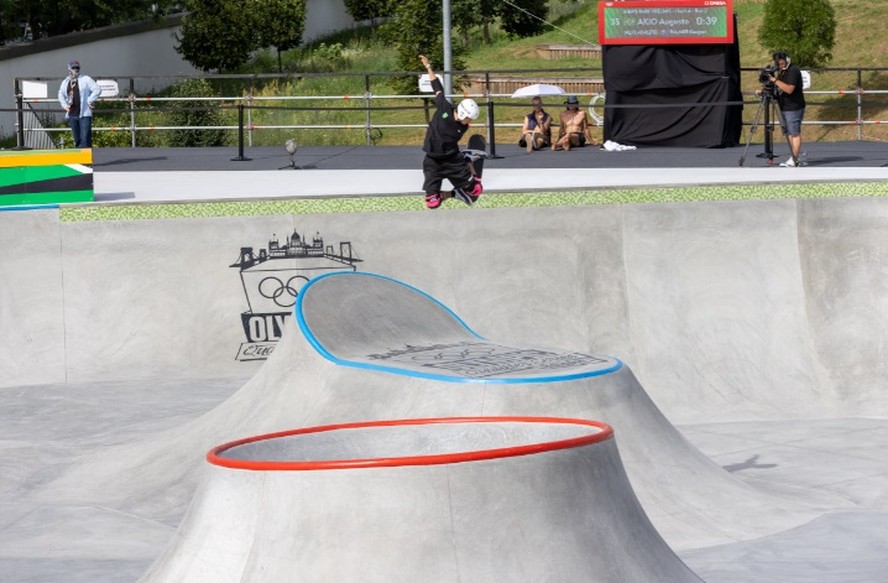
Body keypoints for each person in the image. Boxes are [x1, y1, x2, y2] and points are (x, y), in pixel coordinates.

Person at [418, 54, 483, 209]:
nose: (470, 123)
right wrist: (428, 66)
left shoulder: (464, 126)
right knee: (432, 203)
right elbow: (437, 86)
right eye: (469, 119)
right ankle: (467, 160)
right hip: (432, 161)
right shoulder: (444, 108)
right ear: (462, 114)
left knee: (476, 191)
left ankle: (465, 167)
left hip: (452, 160)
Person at [768, 51, 806, 167]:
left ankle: (795, 158)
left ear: (787, 60)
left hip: (793, 107)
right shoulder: (782, 71)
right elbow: (779, 87)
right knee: (789, 133)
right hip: (784, 106)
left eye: (781, 63)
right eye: (778, 64)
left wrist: (775, 80)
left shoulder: (793, 70)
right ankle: (793, 156)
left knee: (794, 133)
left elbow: (789, 89)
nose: (779, 66)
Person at [57, 60, 101, 148]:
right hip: (72, 114)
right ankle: (79, 160)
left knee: (85, 138)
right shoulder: (66, 81)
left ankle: (86, 160)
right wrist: (65, 105)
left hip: (84, 114)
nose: (76, 69)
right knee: (77, 139)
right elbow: (60, 93)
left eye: (77, 67)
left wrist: (90, 100)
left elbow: (97, 89)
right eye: (73, 68)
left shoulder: (86, 79)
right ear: (69, 69)